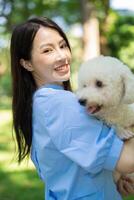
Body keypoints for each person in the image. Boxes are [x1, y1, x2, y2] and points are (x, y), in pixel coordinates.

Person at [10, 16, 134, 200]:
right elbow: (129, 161)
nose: (62, 56)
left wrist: (112, 179)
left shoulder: (38, 103)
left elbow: (72, 166)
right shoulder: (60, 104)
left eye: (62, 45)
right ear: (27, 63)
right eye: (47, 50)